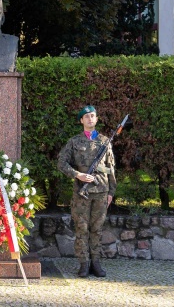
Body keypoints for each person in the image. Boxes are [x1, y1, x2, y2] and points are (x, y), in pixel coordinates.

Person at [57, 105, 116, 278]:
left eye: (93, 116)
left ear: (96, 119)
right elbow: (62, 163)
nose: (90, 119)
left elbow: (111, 168)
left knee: (97, 229)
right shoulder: (74, 142)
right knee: (82, 228)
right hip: (81, 193)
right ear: (81, 120)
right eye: (87, 116)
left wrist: (111, 191)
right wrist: (78, 175)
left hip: (101, 191)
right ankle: (84, 263)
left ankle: (96, 263)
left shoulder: (105, 142)